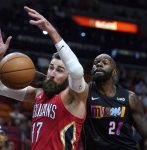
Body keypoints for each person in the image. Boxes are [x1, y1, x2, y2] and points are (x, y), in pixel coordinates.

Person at [0, 6, 88, 150]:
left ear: (68, 77)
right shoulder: (38, 94)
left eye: (59, 70)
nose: (52, 73)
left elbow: (76, 71)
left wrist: (51, 31)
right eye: (51, 67)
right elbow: (2, 88)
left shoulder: (74, 97)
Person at [82, 54, 147, 150]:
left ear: (114, 72)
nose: (99, 64)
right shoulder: (84, 92)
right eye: (96, 63)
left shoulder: (130, 98)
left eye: (105, 63)